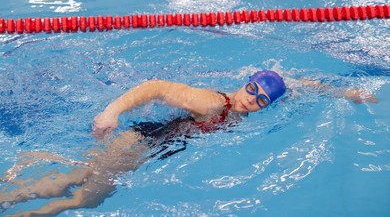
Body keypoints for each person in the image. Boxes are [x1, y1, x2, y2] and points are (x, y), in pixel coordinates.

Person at [0, 70, 378, 216]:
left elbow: (296, 85)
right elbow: (156, 86)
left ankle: (8, 199)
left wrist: (345, 91)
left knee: (78, 178)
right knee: (85, 197)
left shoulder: (244, 108)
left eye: (261, 98)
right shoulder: (214, 102)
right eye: (252, 89)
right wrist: (111, 112)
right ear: (245, 82)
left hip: (151, 145)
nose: (252, 99)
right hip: (140, 143)